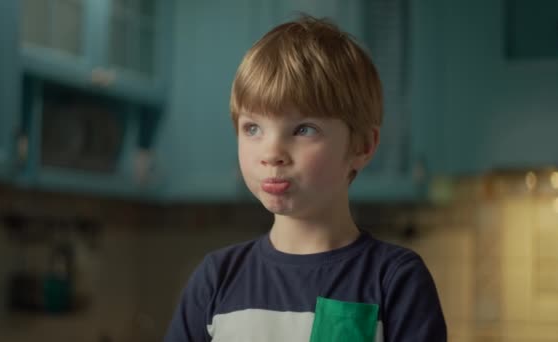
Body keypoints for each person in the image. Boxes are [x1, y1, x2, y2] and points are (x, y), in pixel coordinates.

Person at [164, 15, 447, 342]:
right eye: (253, 128)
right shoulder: (215, 279)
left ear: (363, 146)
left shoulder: (395, 280)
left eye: (303, 129)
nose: (272, 153)